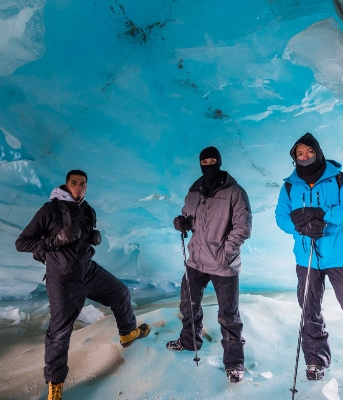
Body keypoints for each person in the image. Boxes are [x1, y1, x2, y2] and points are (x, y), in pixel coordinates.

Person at [16, 170, 150, 400]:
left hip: (89, 272)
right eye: (74, 183)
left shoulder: (87, 210)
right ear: (66, 185)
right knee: (59, 333)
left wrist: (93, 237)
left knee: (120, 293)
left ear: (86, 187)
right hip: (63, 280)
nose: (78, 187)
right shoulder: (50, 210)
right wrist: (55, 240)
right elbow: (22, 243)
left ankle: (127, 334)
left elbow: (81, 240)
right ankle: (55, 385)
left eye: (82, 184)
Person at [274, 133, 343, 394]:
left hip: (340, 258)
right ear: (295, 157)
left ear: (318, 152)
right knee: (310, 311)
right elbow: (281, 218)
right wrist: (301, 224)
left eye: (309, 152)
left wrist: (323, 213)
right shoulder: (290, 186)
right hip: (307, 258)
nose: (304, 157)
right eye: (299, 153)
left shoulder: (338, 178)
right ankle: (315, 362)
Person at [167, 146, 253, 383]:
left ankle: (234, 363)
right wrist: (182, 221)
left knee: (228, 315)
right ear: (200, 164)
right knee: (188, 304)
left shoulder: (234, 192)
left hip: (223, 264)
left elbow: (242, 227)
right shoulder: (194, 191)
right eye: (205, 161)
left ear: (220, 162)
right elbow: (188, 215)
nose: (209, 164)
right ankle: (188, 341)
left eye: (213, 160)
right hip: (195, 260)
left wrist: (226, 254)